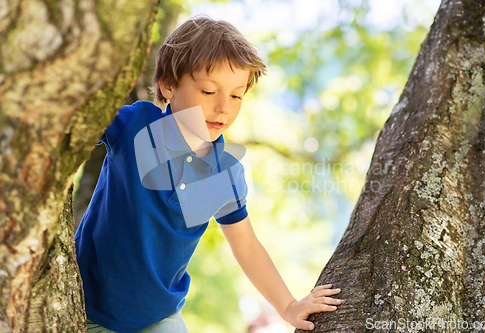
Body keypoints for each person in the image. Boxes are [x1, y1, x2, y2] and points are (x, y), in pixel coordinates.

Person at [74, 15, 343, 333]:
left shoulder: (223, 174)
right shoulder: (135, 127)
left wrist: (288, 306)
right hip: (86, 307)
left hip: (158, 318)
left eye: (236, 95)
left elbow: (247, 246)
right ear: (169, 85)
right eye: (208, 91)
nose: (223, 107)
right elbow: (67, 124)